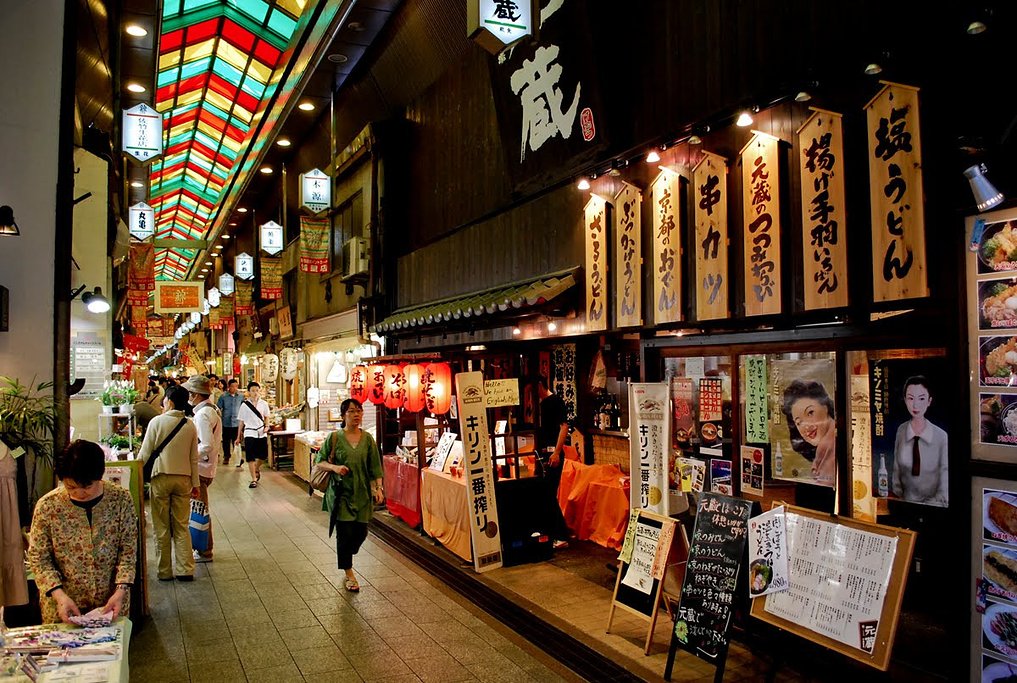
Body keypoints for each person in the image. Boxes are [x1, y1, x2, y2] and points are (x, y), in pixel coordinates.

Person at [27, 440, 137, 623]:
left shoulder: (120, 500)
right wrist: (59, 595)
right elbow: (39, 557)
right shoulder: (48, 506)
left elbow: (128, 551)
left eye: (87, 486)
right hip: (62, 606)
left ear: (100, 476)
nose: (79, 493)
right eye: (71, 487)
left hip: (110, 604)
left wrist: (121, 590)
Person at [313, 398, 383, 592]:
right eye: (352, 411)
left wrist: (378, 488)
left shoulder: (367, 438)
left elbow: (375, 467)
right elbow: (319, 461)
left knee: (361, 532)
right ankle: (349, 573)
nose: (356, 415)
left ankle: (348, 553)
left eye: (359, 411)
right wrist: (335, 468)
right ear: (343, 415)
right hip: (341, 493)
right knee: (344, 534)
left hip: (362, 494)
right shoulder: (335, 437)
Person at [138, 386, 199, 581]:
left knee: (161, 526)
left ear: (169, 401)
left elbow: (145, 453)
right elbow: (193, 458)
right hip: (183, 480)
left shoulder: (157, 422)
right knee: (181, 525)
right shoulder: (189, 425)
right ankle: (185, 570)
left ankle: (164, 571)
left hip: (161, 478)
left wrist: (135, 473)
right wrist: (195, 483)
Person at [892, 376, 948, 506]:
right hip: (903, 506)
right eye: (911, 398)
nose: (915, 405)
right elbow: (896, 472)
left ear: (929, 401)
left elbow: (945, 482)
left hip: (934, 509)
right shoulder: (902, 430)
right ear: (905, 400)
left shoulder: (941, 436)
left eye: (921, 398)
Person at [183, 375, 222, 562]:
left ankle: (205, 550)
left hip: (201, 469)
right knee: (199, 508)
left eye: (190, 393)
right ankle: (202, 548)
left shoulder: (203, 414)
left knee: (199, 509)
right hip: (206, 467)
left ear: (195, 394)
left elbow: (207, 444)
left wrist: (189, 457)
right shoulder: (209, 409)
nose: (188, 396)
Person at [536, 376, 571, 550]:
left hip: (553, 455)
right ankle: (554, 532)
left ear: (540, 385)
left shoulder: (556, 401)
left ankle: (561, 535)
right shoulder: (540, 404)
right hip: (542, 454)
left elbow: (564, 427)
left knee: (548, 493)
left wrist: (557, 452)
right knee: (544, 494)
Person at [780, 380, 837, 485]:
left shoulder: (833, 447)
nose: (806, 426)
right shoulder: (824, 450)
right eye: (798, 422)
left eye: (810, 413)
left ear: (825, 406)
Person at [236, 381, 270, 488]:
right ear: (249, 392)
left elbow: (267, 417)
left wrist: (267, 426)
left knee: (263, 455)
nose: (255, 393)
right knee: (250, 456)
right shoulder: (245, 405)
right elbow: (241, 421)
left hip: (261, 432)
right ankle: (254, 479)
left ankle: (256, 468)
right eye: (253, 391)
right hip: (249, 431)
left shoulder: (264, 404)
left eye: (257, 390)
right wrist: (238, 436)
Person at [218, 379, 244, 466]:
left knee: (236, 441)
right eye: (232, 386)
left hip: (237, 422)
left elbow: (243, 408)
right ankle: (226, 456)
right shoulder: (223, 396)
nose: (234, 388)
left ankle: (238, 458)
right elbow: (218, 408)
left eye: (236, 386)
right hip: (226, 422)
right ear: (229, 387)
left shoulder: (240, 396)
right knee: (226, 441)